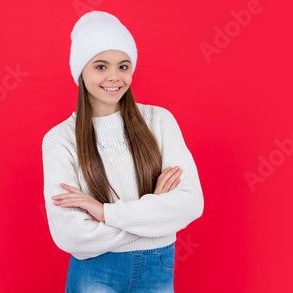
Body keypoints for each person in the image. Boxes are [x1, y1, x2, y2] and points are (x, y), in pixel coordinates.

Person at [41, 10, 204, 292]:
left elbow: (190, 204)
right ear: (81, 70)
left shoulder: (159, 121)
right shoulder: (60, 139)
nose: (114, 77)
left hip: (158, 268)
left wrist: (104, 213)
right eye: (101, 66)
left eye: (123, 66)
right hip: (95, 272)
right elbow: (71, 235)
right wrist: (154, 213)